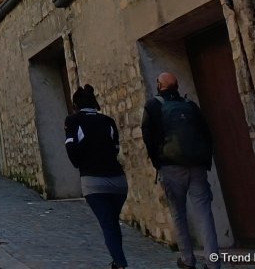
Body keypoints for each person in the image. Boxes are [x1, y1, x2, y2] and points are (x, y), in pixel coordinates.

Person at [142, 72, 220, 269]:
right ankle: (213, 263)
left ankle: (187, 259)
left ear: (159, 86)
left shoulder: (153, 106)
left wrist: (157, 162)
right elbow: (206, 133)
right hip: (197, 166)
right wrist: (205, 160)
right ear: (177, 86)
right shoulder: (190, 105)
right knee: (205, 214)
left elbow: (148, 136)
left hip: (170, 166)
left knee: (179, 213)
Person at [65, 85, 130, 269]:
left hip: (93, 181)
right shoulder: (108, 121)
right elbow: (115, 148)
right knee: (112, 221)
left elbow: (71, 149)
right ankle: (117, 260)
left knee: (108, 223)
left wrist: (82, 163)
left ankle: (120, 263)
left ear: (76, 104)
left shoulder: (73, 121)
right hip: (118, 181)